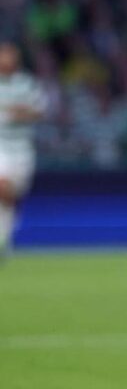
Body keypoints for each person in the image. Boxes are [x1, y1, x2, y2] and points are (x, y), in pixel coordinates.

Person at [0, 42, 47, 261]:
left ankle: (5, 239)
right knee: (3, 186)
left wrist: (16, 113)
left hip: (21, 149)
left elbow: (40, 111)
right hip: (2, 146)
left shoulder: (27, 84)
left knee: (11, 198)